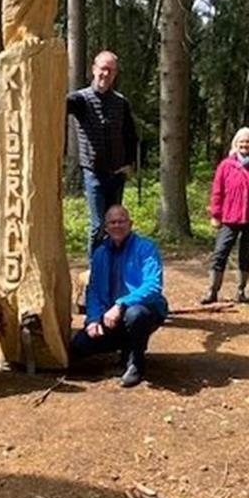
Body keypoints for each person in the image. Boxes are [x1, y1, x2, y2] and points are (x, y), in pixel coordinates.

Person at [70, 205, 168, 388]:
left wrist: (121, 304)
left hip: (145, 310)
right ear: (106, 228)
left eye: (121, 221)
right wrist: (92, 319)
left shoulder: (145, 248)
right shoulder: (100, 254)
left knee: (135, 315)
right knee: (79, 346)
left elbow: (153, 285)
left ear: (130, 224)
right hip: (110, 317)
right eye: (112, 222)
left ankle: (135, 362)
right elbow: (94, 291)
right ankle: (125, 344)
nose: (117, 226)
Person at [66, 51, 138, 255]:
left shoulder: (121, 102)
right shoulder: (80, 99)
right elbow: (58, 105)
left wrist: (129, 163)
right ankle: (96, 271)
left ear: (115, 74)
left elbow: (131, 135)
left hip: (117, 174)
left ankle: (114, 267)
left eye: (110, 70)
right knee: (99, 224)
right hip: (93, 174)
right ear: (94, 69)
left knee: (116, 225)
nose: (105, 74)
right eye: (102, 69)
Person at [200, 127, 249, 304]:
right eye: (241, 141)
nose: (245, 145)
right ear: (236, 143)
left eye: (248, 141)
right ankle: (212, 291)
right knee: (220, 252)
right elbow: (217, 191)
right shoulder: (226, 165)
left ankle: (241, 291)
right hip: (230, 218)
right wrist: (216, 214)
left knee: (245, 254)